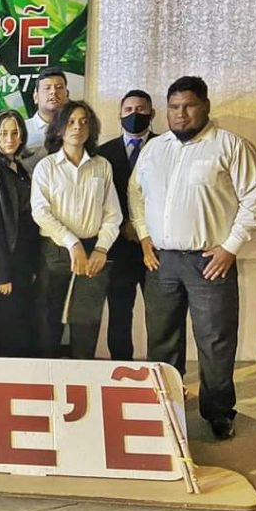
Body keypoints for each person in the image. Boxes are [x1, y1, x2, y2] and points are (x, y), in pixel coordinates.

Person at [129, 76, 256, 440]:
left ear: (205, 105)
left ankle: (218, 412)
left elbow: (255, 199)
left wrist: (230, 247)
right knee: (162, 340)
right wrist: (144, 236)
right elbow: (136, 194)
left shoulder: (229, 146)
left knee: (215, 341)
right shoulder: (155, 148)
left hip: (210, 262)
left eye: (188, 106)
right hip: (161, 262)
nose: (180, 114)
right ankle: (164, 406)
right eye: (174, 107)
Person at [31, 101, 121, 359]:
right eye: (70, 122)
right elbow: (40, 212)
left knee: (86, 325)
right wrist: (72, 242)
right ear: (59, 129)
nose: (77, 127)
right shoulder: (46, 166)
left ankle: (82, 376)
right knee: (48, 322)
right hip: (56, 251)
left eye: (83, 122)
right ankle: (46, 378)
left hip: (94, 251)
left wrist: (101, 248)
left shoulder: (101, 166)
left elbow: (113, 214)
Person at [0, 109, 41, 357]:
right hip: (4, 267)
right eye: (3, 133)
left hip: (24, 262)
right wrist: (1, 275)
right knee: (9, 331)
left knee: (25, 327)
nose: (10, 139)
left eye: (14, 133)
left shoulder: (21, 169)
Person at [97, 89, 158, 360]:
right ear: (119, 115)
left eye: (141, 109)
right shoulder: (104, 153)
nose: (135, 114)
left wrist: (146, 230)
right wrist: (123, 226)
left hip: (156, 247)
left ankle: (162, 368)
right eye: (129, 110)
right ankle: (121, 367)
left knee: (160, 315)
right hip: (118, 247)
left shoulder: (165, 146)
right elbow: (98, 199)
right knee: (120, 314)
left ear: (152, 113)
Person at [25, 67, 70, 156]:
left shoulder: (76, 128)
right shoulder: (22, 130)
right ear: (35, 97)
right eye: (47, 88)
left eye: (59, 87)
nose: (53, 92)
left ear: (67, 95)